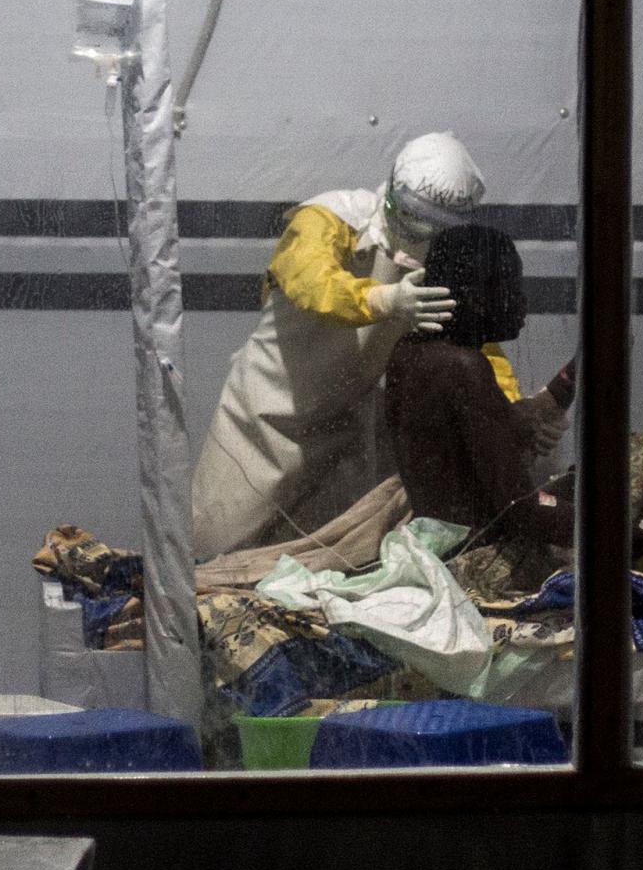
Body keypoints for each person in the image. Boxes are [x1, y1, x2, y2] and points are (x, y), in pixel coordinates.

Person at [192, 132, 514, 557]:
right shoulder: (331, 217)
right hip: (260, 420)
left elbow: (476, 346)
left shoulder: (445, 261)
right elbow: (309, 279)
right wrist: (382, 299)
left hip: (342, 428)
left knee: (319, 563)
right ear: (391, 190)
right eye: (409, 215)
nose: (417, 231)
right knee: (212, 548)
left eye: (433, 224)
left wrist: (509, 410)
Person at [384, 224, 576, 553]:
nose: (522, 302)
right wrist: (629, 534)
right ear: (478, 296)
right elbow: (522, 512)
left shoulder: (410, 352)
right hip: (480, 557)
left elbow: (490, 434)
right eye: (512, 287)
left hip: (445, 548)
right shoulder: (463, 367)